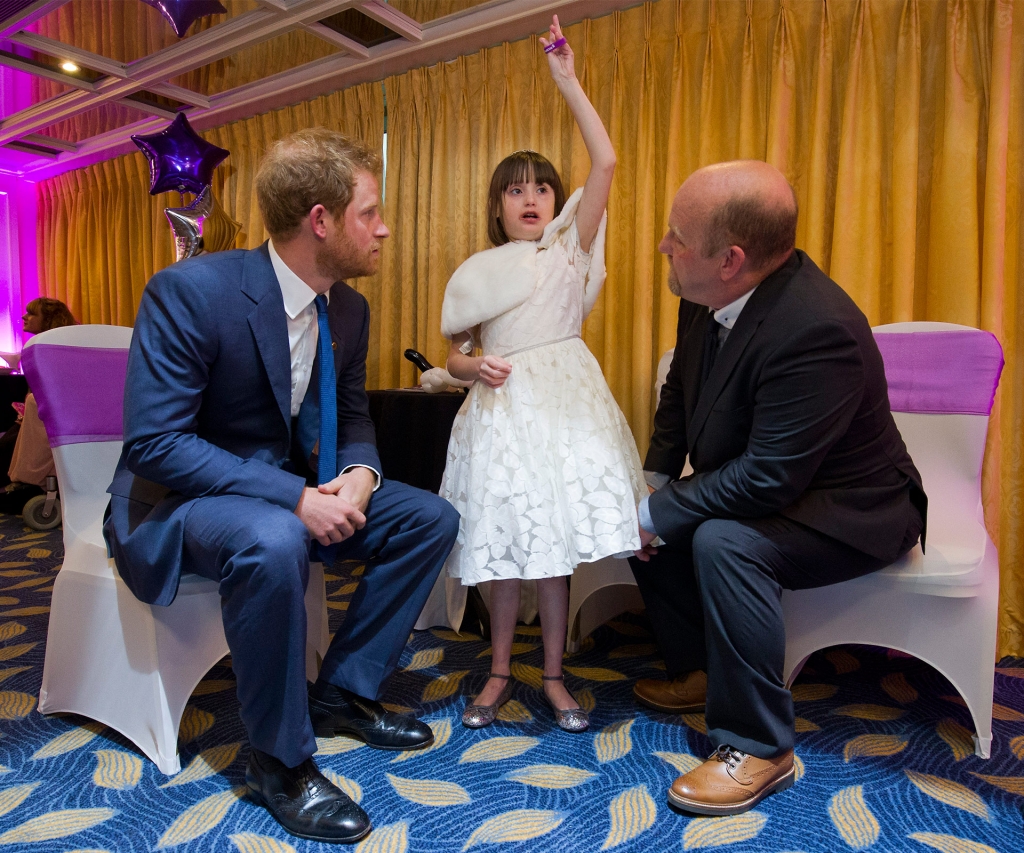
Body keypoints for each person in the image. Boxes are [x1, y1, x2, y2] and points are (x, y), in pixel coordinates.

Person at [103, 129, 460, 844]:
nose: (384, 227)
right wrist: (294, 497)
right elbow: (157, 443)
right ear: (320, 220)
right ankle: (278, 759)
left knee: (430, 518)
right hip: (181, 503)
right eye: (370, 211)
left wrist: (361, 473)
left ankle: (344, 691)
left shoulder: (348, 309)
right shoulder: (191, 292)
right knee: (274, 535)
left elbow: (353, 413)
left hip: (290, 490)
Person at [630, 160, 927, 816]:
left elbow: (769, 476)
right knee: (646, 512)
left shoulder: (815, 326)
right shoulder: (700, 291)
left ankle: (761, 744)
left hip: (855, 504)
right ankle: (701, 670)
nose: (663, 246)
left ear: (731, 259)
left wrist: (658, 510)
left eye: (676, 235)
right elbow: (681, 392)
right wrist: (650, 485)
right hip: (781, 479)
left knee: (721, 540)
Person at [440, 16, 645, 734]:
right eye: (515, 191)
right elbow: (454, 357)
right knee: (500, 551)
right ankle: (498, 672)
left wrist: (567, 80)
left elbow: (609, 162)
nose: (530, 199)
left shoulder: (570, 249)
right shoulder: (479, 273)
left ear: (557, 202)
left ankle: (553, 676)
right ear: (497, 208)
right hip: (501, 414)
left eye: (541, 189)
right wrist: (475, 364)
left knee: (553, 553)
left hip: (562, 409)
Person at [0, 298, 77, 514]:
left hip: (59, 414)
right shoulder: (38, 347)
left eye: (31, 314)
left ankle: (25, 486)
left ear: (50, 319)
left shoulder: (56, 348)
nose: (24, 317)